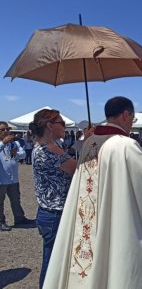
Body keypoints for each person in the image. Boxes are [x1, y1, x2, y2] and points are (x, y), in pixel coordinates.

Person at [42, 96, 142, 289]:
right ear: (126, 115)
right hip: (112, 215)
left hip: (88, 216)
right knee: (110, 258)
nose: (131, 124)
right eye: (133, 119)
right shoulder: (125, 145)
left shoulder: (90, 142)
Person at [29, 110, 78, 288]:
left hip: (48, 213)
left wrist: (83, 141)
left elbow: (69, 156)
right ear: (50, 126)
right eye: (61, 123)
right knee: (52, 264)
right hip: (55, 215)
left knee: (53, 260)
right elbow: (76, 168)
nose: (64, 126)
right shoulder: (49, 150)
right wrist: (88, 143)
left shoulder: (43, 147)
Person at [0, 121, 31, 231]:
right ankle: (1, 222)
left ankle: (19, 219)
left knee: (16, 200)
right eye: (2, 130)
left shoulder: (13, 143)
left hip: (13, 178)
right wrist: (3, 143)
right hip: (1, 179)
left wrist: (16, 153)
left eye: (7, 129)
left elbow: (22, 154)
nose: (6, 131)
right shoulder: (3, 144)